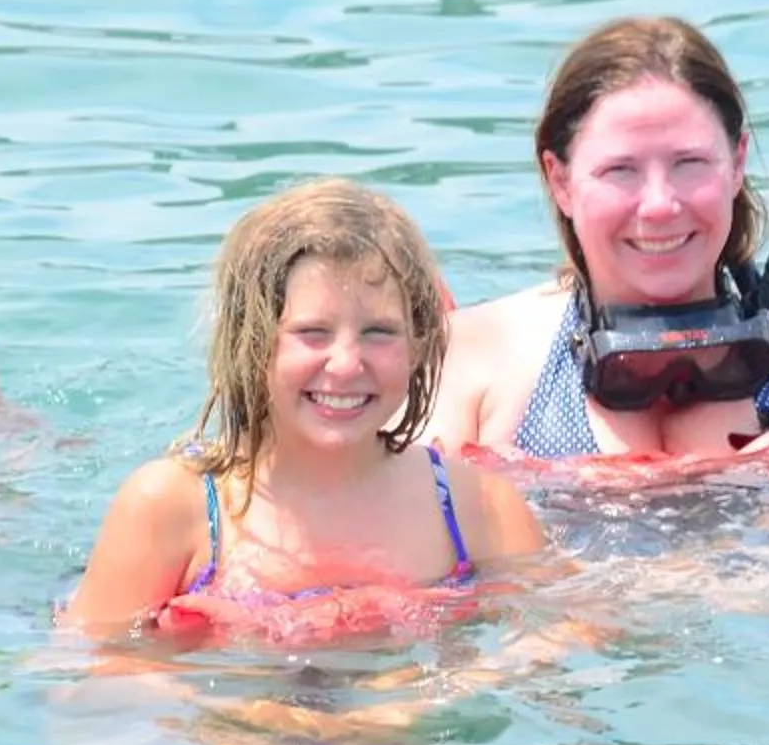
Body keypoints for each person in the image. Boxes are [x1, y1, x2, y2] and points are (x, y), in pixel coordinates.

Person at [421, 17, 769, 469]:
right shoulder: (472, 360)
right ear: (560, 180)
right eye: (620, 170)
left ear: (737, 163)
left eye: (689, 164)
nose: (660, 204)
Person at [64, 179, 545, 637]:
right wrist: (256, 713)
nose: (345, 364)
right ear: (251, 344)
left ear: (418, 347)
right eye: (311, 333)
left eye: (379, 333)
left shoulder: (477, 508)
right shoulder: (171, 508)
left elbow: (552, 647)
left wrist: (416, 700)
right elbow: (87, 687)